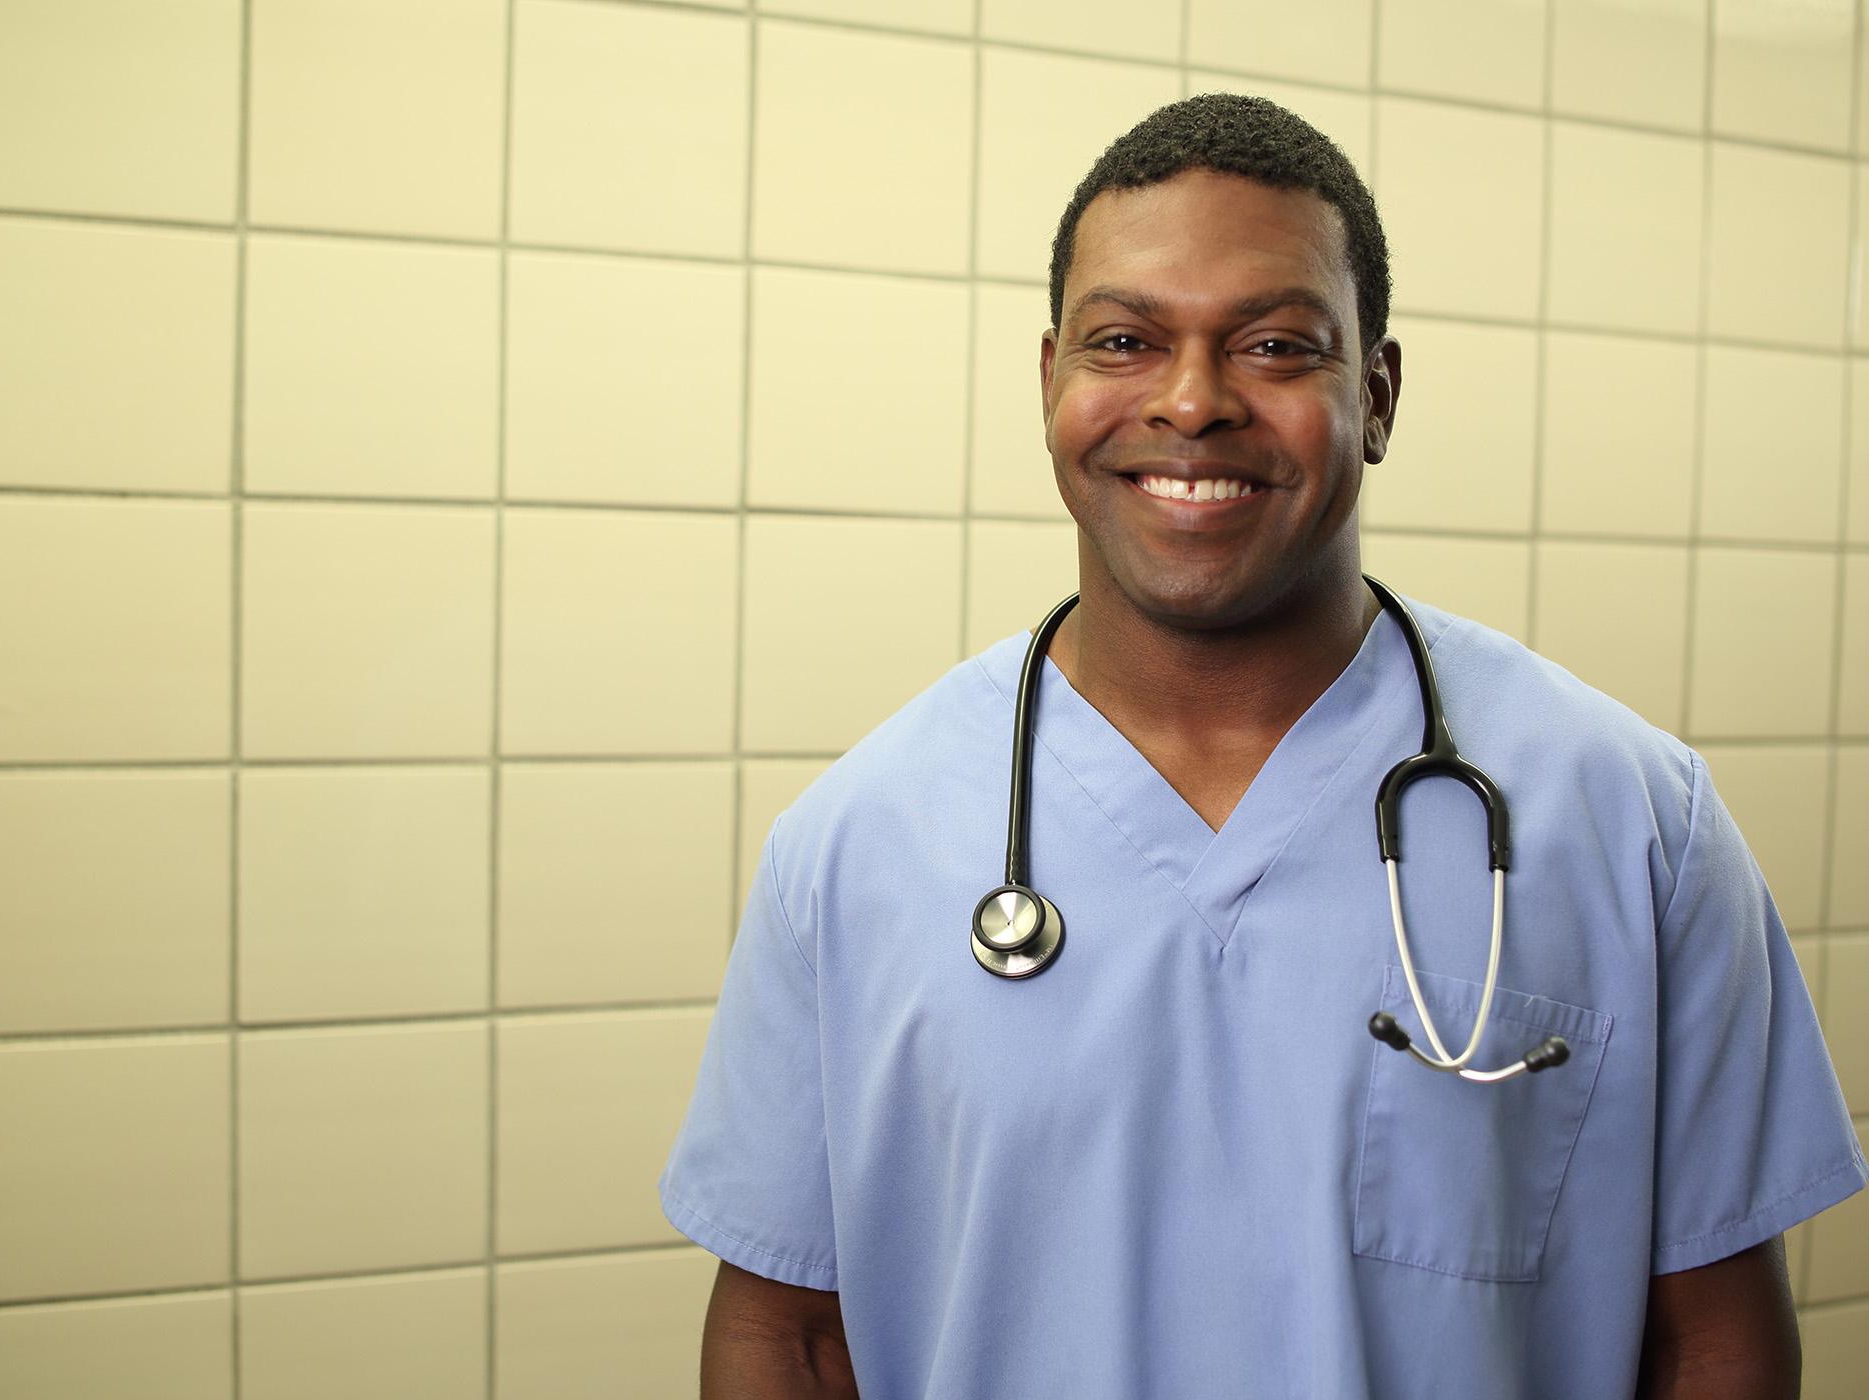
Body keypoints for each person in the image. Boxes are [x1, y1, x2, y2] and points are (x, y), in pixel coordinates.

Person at [658, 93, 1866, 1398]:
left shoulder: (1633, 823)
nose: (1191, 402)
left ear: (1378, 394)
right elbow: (790, 1334)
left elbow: (1712, 1336)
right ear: (1050, 379)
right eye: (1125, 339)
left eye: (1276, 345)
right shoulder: (856, 844)